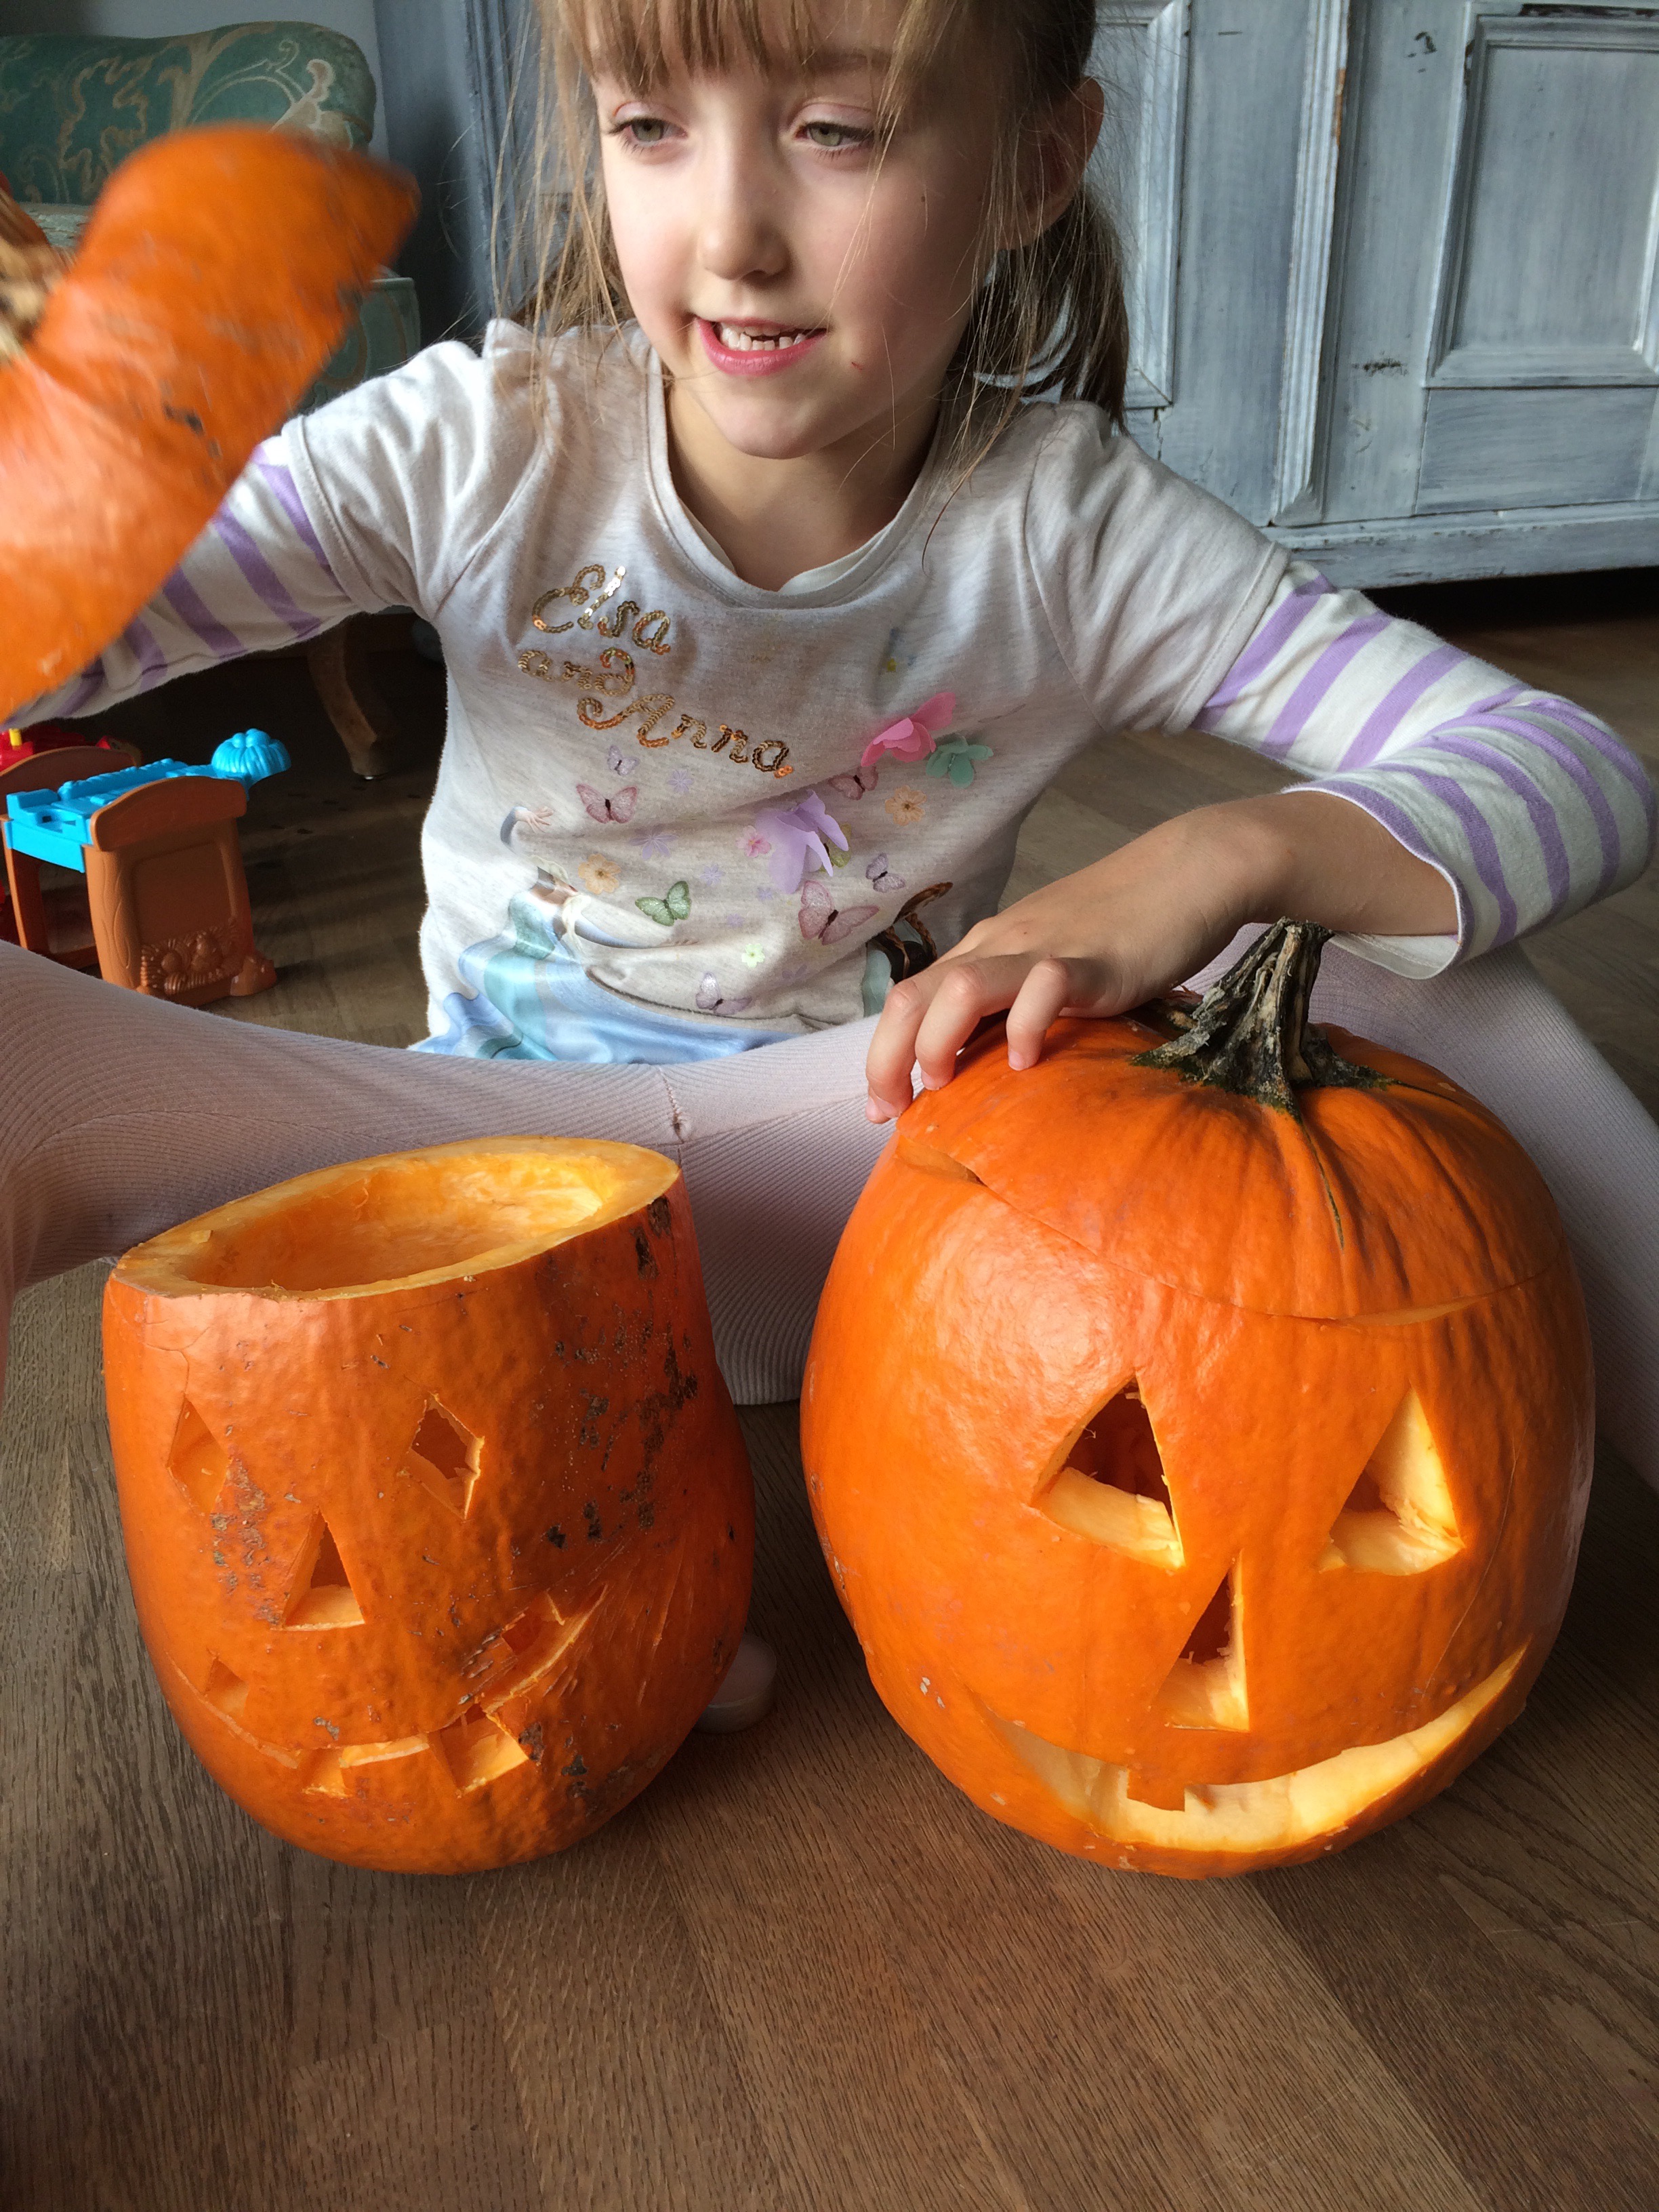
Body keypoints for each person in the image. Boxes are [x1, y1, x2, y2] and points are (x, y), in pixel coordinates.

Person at [3, 0, 1655, 1515]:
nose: (729, 235)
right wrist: (64, 461)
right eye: (651, 125)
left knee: (1391, 955)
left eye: (837, 131)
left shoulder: (1075, 537)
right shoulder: (472, 442)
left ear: (1035, 166)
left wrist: (1218, 857)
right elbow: (72, 647)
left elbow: (1573, 767)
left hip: (878, 1202)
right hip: (468, 1207)